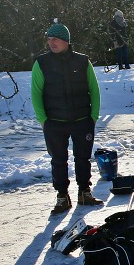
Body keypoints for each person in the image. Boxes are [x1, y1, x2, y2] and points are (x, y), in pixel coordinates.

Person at [31, 23, 103, 214]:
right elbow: (36, 93)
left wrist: (93, 117)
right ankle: (62, 196)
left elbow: (94, 90)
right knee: (58, 160)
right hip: (54, 123)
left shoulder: (82, 61)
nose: (50, 42)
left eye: (54, 39)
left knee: (83, 158)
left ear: (66, 41)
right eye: (48, 39)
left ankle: (84, 192)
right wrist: (43, 120)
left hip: (82, 120)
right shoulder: (42, 63)